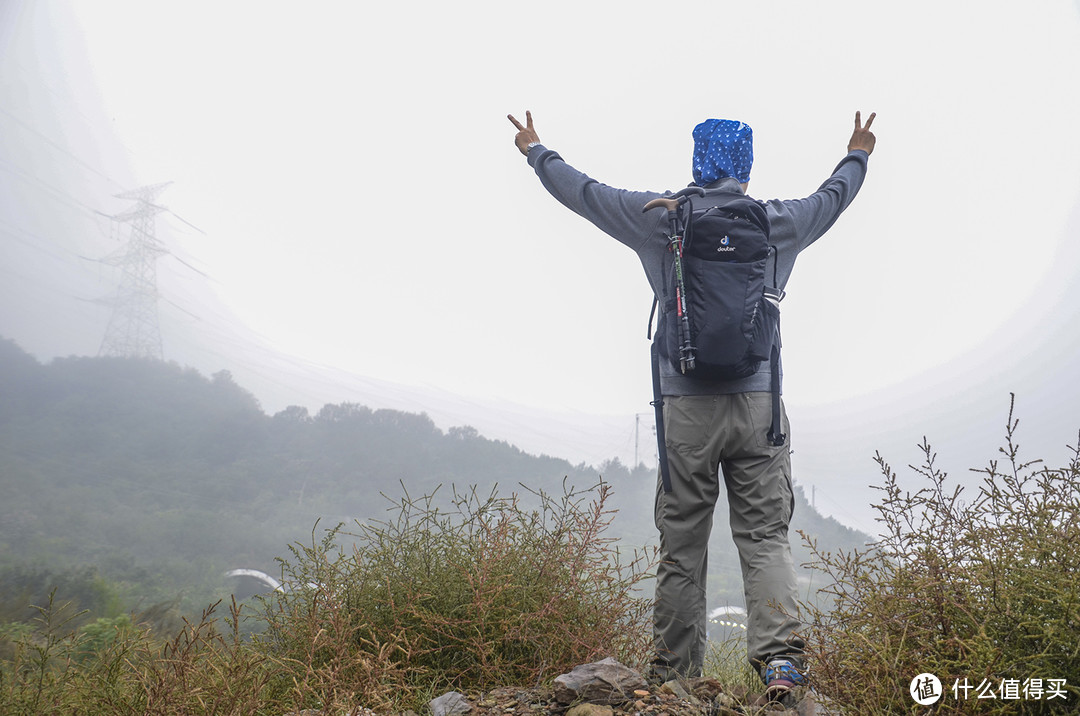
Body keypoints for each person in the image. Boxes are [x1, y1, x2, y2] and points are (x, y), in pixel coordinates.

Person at [507, 109, 876, 695]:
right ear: (747, 167)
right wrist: (858, 152)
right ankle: (781, 664)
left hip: (684, 409)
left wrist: (535, 150)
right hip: (759, 408)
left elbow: (584, 193)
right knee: (764, 538)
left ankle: (674, 676)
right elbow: (834, 197)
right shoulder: (779, 221)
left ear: (696, 160)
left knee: (683, 545)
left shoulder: (661, 219)